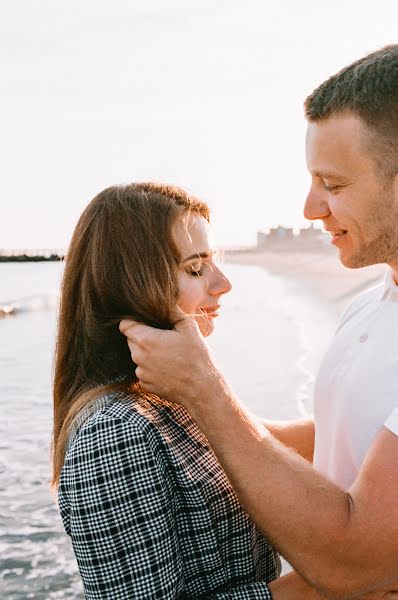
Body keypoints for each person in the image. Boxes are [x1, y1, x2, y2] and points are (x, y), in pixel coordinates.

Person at [120, 45, 398, 599]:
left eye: (334, 185)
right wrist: (177, 412)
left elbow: (358, 564)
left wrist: (206, 392)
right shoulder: (373, 302)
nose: (309, 208)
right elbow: (349, 434)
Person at [52, 182, 281, 599]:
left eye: (214, 263)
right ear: (131, 284)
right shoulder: (113, 433)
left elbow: (268, 444)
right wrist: (316, 591)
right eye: (196, 269)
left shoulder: (169, 394)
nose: (223, 283)